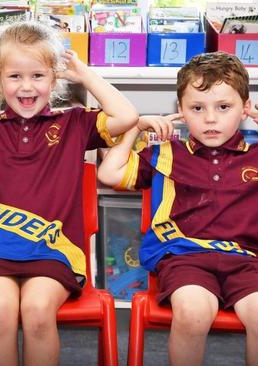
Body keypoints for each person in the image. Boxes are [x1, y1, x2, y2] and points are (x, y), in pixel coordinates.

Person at [0, 21, 138, 365]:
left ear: (54, 79)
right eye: (14, 76)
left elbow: (127, 116)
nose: (26, 86)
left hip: (53, 251)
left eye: (37, 76)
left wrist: (85, 74)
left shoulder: (74, 124)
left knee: (36, 312)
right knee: (2, 311)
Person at [98, 51, 258, 365]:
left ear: (245, 109)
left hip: (246, 260)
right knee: (194, 312)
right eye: (197, 108)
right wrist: (135, 128)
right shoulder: (166, 154)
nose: (210, 119)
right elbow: (108, 173)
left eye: (224, 107)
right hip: (185, 258)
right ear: (181, 112)